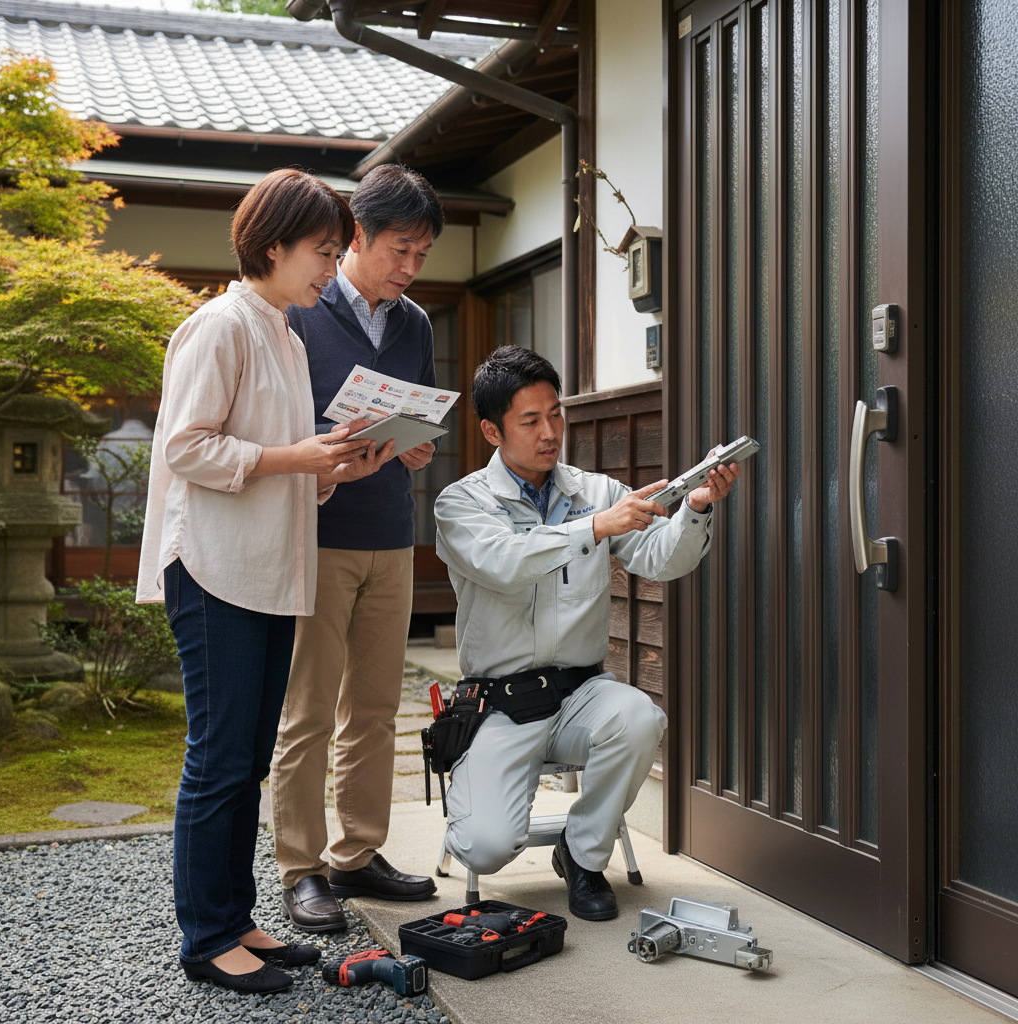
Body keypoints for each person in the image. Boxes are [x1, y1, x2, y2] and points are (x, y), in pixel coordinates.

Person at [136, 169, 395, 992]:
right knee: (219, 758)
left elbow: (283, 468)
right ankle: (206, 938)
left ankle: (237, 917)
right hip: (214, 570)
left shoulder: (283, 332)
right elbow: (186, 447)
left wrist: (341, 467)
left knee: (247, 757)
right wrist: (300, 456)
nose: (330, 266)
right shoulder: (219, 325)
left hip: (264, 570)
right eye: (322, 252)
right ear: (273, 246)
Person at [433, 345, 741, 921]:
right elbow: (504, 561)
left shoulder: (594, 490)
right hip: (500, 705)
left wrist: (695, 508)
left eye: (556, 414)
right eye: (531, 420)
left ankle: (582, 855)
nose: (550, 432)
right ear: (491, 430)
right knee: (484, 846)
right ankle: (488, 796)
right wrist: (594, 526)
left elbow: (658, 558)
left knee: (641, 715)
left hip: (580, 694)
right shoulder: (462, 503)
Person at [270, 165, 445, 932]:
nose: (409, 269)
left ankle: (357, 853)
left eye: (422, 256)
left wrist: (417, 448)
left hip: (391, 533)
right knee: (307, 711)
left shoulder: (415, 324)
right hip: (317, 533)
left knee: (374, 707)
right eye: (400, 250)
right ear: (358, 238)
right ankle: (300, 869)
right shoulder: (301, 311)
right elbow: (274, 427)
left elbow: (424, 416)